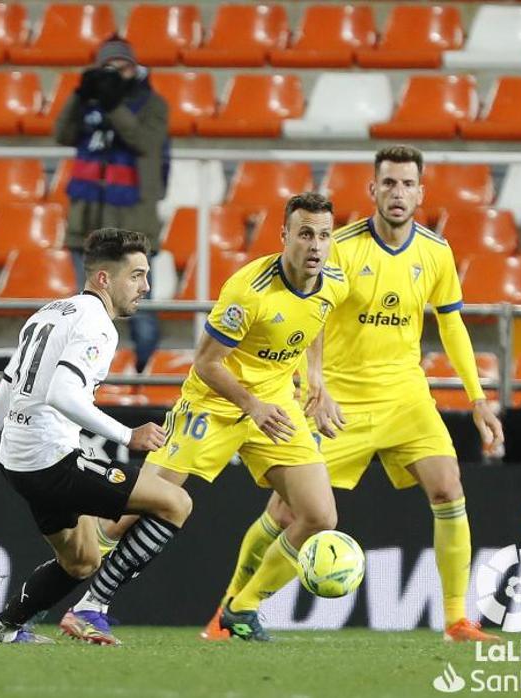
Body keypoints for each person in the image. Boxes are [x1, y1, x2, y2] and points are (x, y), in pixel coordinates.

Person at [205, 146, 505, 643]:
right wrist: (313, 384)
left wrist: (477, 397)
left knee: (449, 487)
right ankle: (227, 611)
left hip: (406, 395)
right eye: (388, 183)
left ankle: (456, 621)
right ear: (372, 189)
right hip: (340, 399)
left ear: (421, 192)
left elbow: (452, 326)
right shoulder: (339, 246)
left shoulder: (435, 252)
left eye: (408, 184)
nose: (398, 193)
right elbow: (308, 314)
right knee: (288, 512)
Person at [92, 193, 350, 642]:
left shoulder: (334, 282)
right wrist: (252, 405)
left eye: (324, 236)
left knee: (319, 514)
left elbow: (315, 320)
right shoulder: (248, 290)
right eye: (305, 234)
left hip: (275, 404)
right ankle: (75, 577)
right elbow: (206, 363)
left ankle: (241, 608)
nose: (315, 245)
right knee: (132, 511)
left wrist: (315, 378)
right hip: (213, 404)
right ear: (285, 235)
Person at [0, 228, 191, 646]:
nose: (146, 286)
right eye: (136, 275)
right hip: (53, 461)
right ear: (104, 278)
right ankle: (91, 608)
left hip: (19, 463)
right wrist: (127, 434)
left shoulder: (48, 313)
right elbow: (61, 394)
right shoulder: (97, 324)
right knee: (176, 503)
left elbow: (3, 395)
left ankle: (1, 629)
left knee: (81, 559)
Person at [55, 35, 168, 373]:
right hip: (87, 220)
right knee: (88, 306)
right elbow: (62, 133)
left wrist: (113, 104)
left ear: (135, 68)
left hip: (133, 223)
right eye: (108, 68)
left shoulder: (153, 104)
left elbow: (144, 141)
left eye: (122, 67)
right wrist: (79, 96)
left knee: (140, 306)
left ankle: (146, 376)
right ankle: (89, 377)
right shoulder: (90, 102)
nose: (115, 74)